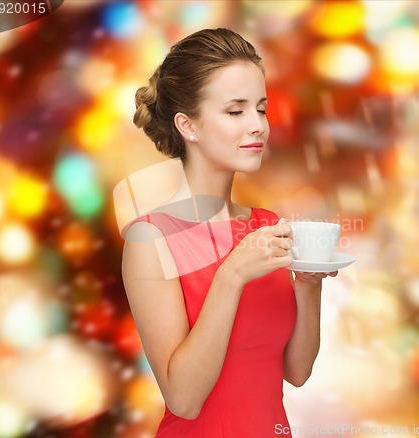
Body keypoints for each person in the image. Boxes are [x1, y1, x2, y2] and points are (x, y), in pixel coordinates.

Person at [122, 28, 336, 437]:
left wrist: (309, 285)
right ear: (188, 125)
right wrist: (232, 275)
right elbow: (183, 399)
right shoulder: (150, 240)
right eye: (236, 111)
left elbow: (297, 371)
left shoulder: (266, 224)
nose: (257, 125)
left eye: (261, 108)